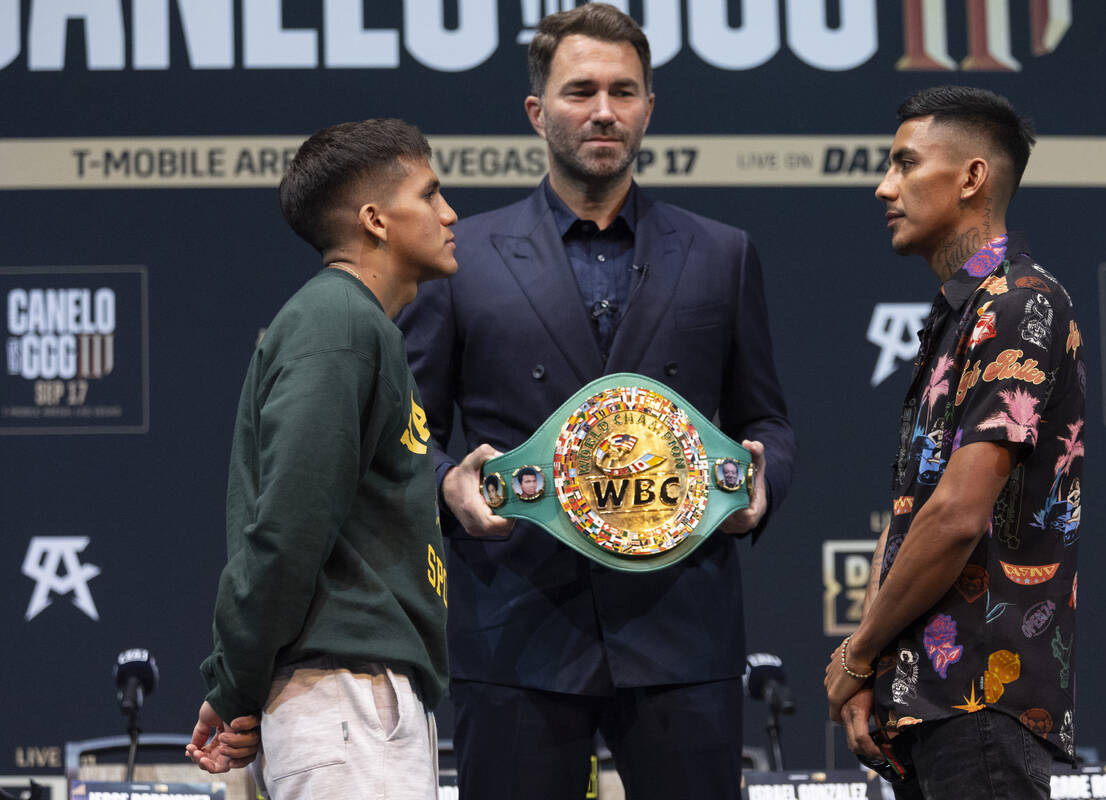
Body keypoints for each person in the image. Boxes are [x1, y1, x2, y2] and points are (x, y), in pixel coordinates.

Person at [398, 4, 795, 798]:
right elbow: (407, 435)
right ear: (537, 112)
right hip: (517, 628)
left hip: (684, 630)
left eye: (624, 90)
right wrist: (448, 485)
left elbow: (767, 421)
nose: (604, 111)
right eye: (581, 91)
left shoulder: (722, 254)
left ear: (650, 107)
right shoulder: (458, 258)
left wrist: (761, 479)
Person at [824, 87, 1084, 799]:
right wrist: (874, 666)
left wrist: (857, 651)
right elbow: (917, 510)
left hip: (981, 698)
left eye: (906, 164)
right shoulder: (957, 317)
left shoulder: (1018, 303)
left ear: (972, 177)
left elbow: (957, 516)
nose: (884, 186)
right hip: (929, 701)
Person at [187, 118, 457, 799]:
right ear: (375, 220)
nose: (449, 213)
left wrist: (239, 684)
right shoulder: (337, 323)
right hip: (345, 707)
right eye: (429, 194)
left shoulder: (357, 325)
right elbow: (287, 529)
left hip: (348, 704)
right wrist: (236, 683)